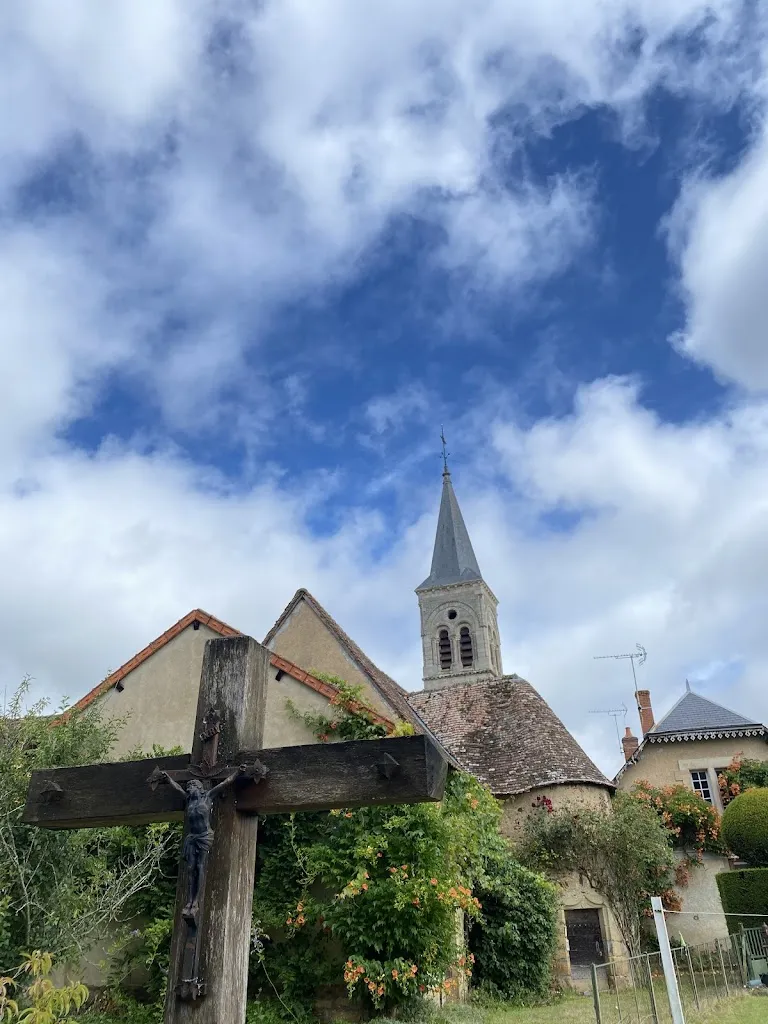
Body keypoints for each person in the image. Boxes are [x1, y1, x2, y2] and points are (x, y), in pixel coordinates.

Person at [162, 770, 240, 923]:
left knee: (199, 866)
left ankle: (196, 901)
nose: (189, 788)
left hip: (204, 836)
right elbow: (178, 788)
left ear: (198, 787)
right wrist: (168, 779)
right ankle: (189, 901)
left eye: (191, 786)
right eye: (189, 786)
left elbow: (225, 783)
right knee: (190, 868)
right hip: (192, 837)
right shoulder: (189, 800)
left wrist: (238, 773)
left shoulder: (208, 797)